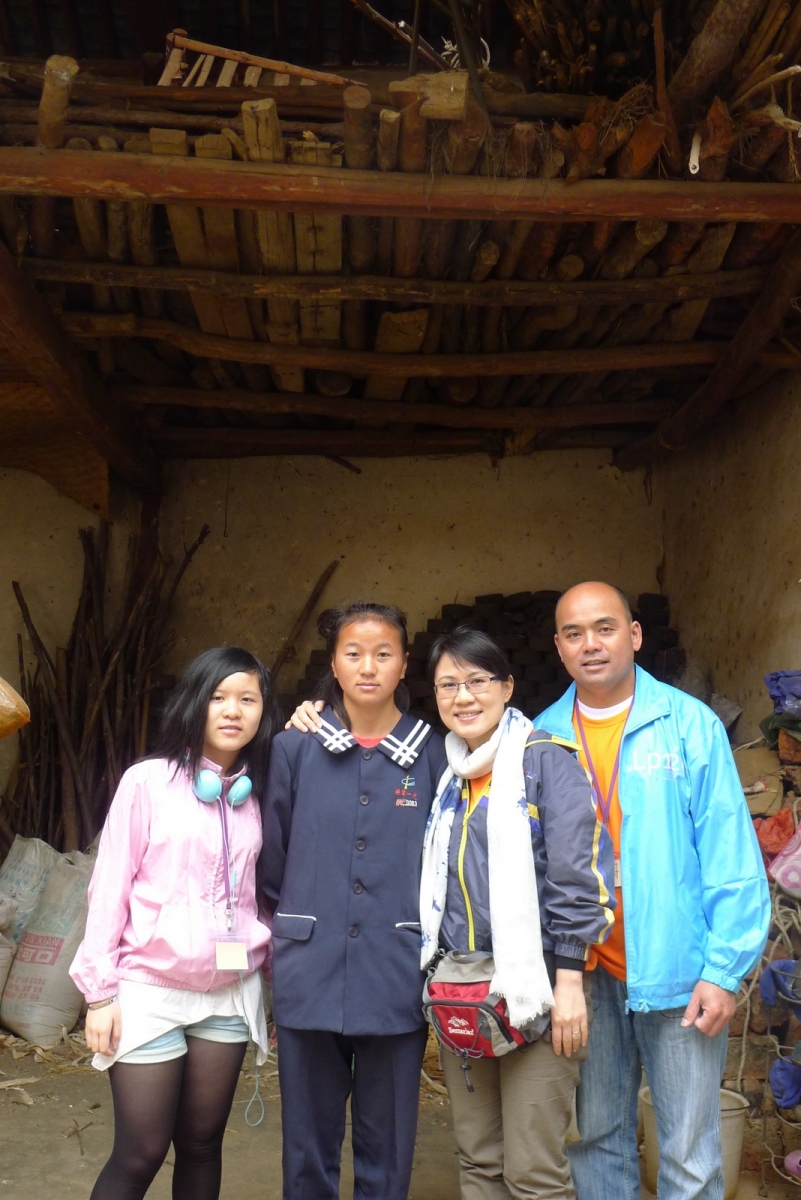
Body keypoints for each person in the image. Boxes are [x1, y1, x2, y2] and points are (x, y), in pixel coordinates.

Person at [537, 581, 770, 1200]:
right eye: (574, 633)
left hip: (679, 972)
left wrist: (723, 971)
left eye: (605, 628)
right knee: (595, 1141)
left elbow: (730, 854)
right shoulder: (543, 735)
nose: (591, 644)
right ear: (558, 647)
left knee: (690, 1158)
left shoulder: (688, 725)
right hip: (585, 975)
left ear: (635, 635)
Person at [70, 646, 282, 1200]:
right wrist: (99, 993)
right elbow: (108, 888)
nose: (232, 710)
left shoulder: (259, 795)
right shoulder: (147, 782)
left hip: (229, 995)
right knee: (140, 1152)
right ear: (195, 702)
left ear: (263, 711)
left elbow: (264, 896)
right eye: (218, 697)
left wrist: (276, 984)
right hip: (149, 989)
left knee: (202, 1145)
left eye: (247, 699)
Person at [422, 626, 615, 1200]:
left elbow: (578, 876)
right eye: (448, 685)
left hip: (540, 992)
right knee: (479, 1157)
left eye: (478, 681)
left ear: (507, 687)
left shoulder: (546, 761)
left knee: (534, 1171)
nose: (463, 697)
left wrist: (571, 980)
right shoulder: (449, 776)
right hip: (462, 988)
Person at [261, 602, 446, 1200]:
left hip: (396, 967)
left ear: (404, 665)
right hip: (309, 966)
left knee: (387, 1145)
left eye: (383, 654)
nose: (369, 667)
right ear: (334, 665)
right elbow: (273, 856)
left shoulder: (433, 752)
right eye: (354, 653)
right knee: (306, 1147)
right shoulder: (295, 747)